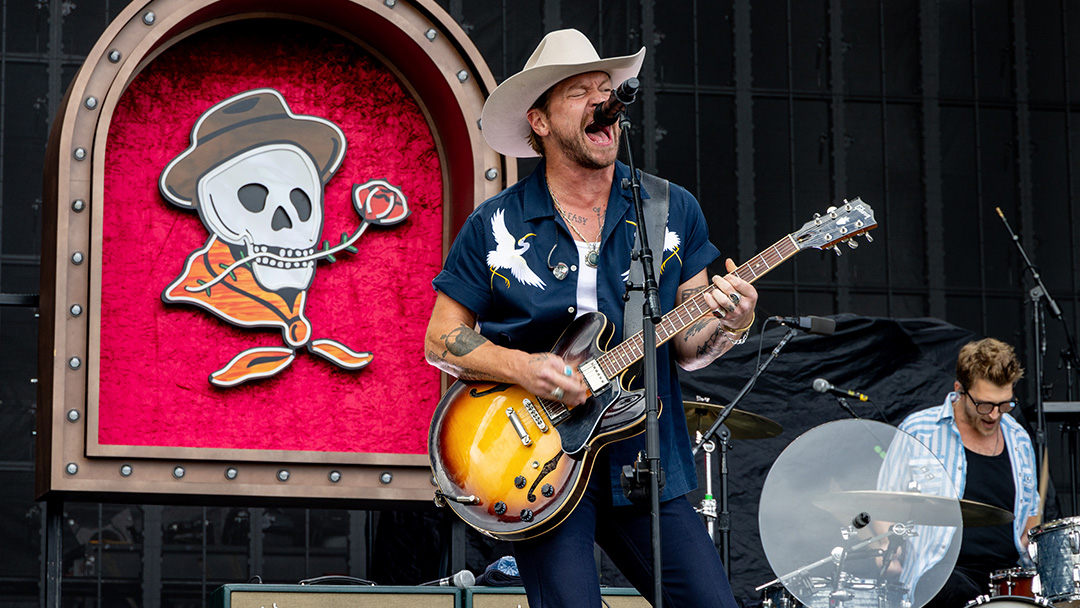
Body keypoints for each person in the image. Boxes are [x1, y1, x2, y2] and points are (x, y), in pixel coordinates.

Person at [424, 28, 755, 608]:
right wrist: (524, 369)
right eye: (580, 91)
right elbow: (441, 340)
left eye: (608, 89)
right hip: (536, 461)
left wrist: (731, 321)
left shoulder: (671, 209)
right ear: (541, 121)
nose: (604, 100)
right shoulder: (495, 224)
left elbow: (690, 346)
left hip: (645, 455)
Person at [878, 338, 1039, 608]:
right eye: (985, 405)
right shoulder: (919, 430)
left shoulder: (1018, 437)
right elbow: (883, 503)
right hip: (941, 573)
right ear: (959, 390)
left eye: (1005, 404)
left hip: (1008, 575)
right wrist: (885, 554)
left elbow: (1031, 515)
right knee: (956, 593)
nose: (995, 415)